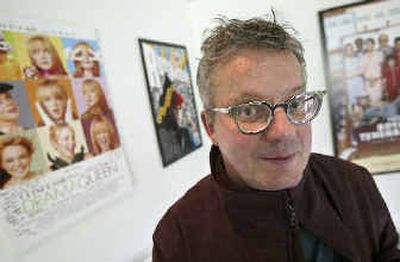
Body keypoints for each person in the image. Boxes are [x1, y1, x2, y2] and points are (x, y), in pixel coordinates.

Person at [152, 15, 400, 261]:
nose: (284, 131)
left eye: (295, 102)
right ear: (210, 127)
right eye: (249, 110)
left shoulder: (354, 184)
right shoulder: (178, 238)